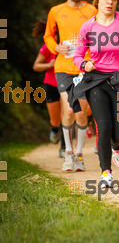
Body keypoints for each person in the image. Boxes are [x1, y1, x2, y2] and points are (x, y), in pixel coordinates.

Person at [72, 0, 119, 187]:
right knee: (103, 125)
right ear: (97, 0)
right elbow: (77, 55)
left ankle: (117, 147)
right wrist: (85, 63)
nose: (109, 2)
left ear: (117, 1)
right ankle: (106, 173)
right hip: (97, 80)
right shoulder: (88, 26)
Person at [44, 0, 97, 172]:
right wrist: (55, 47)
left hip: (85, 68)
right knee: (68, 110)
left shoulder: (92, 10)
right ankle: (68, 154)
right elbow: (48, 35)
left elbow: (100, 33)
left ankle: (80, 155)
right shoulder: (56, 11)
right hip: (64, 68)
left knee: (81, 114)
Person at [32, 20, 65, 154]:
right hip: (51, 83)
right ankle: (54, 128)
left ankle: (64, 148)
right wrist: (49, 65)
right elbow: (36, 66)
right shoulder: (47, 47)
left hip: (66, 83)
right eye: (56, 33)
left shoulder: (69, 46)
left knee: (66, 115)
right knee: (55, 118)